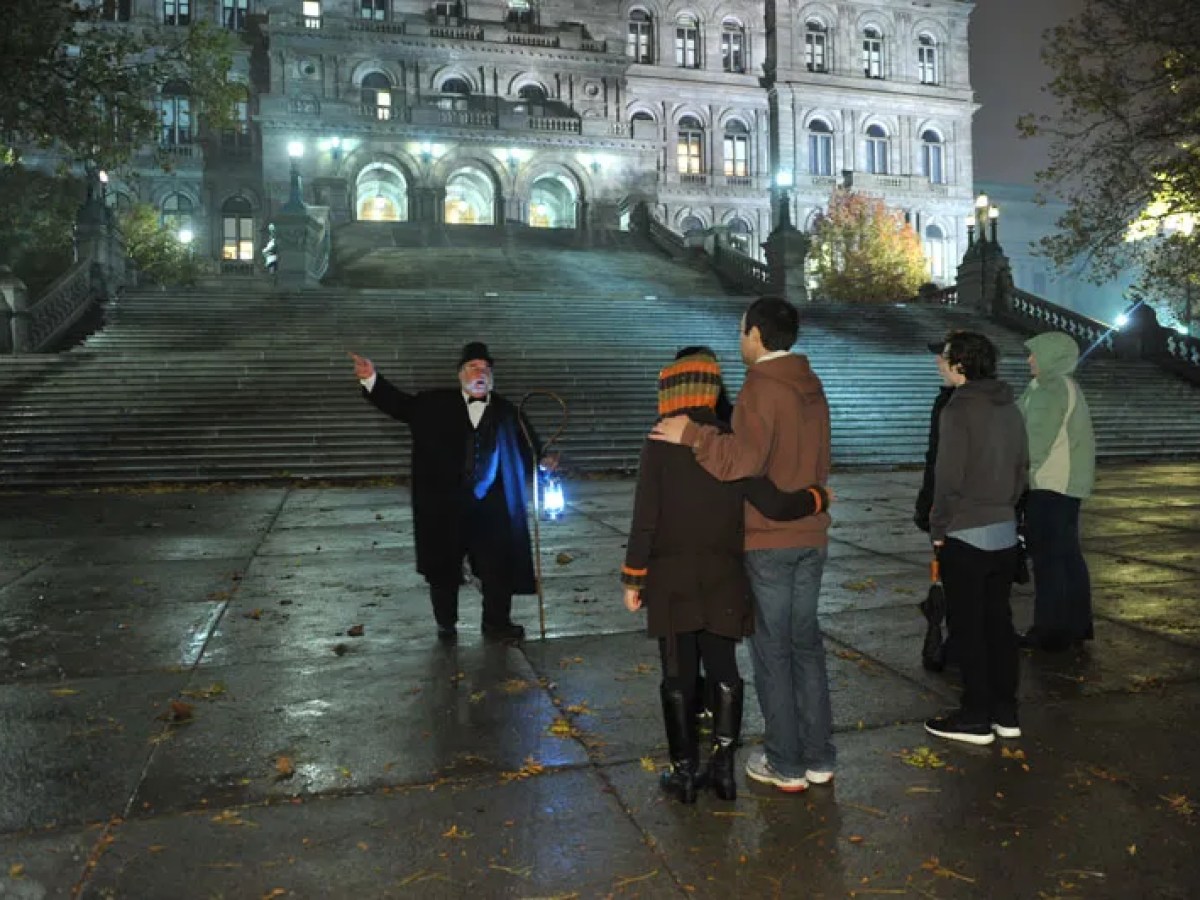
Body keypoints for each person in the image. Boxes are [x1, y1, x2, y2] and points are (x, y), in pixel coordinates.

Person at [622, 349, 832, 804]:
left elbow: (645, 519)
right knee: (724, 669)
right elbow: (774, 503)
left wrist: (634, 577)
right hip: (724, 575)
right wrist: (817, 499)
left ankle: (684, 772)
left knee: (677, 674)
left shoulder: (659, 442)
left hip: (672, 578)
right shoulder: (727, 442)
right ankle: (722, 769)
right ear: (714, 389)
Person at [350, 342, 545, 643]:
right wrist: (371, 378)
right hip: (444, 505)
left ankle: (496, 624)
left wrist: (545, 463)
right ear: (460, 374)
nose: (480, 373)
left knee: (497, 568)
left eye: (485, 368)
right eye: (473, 367)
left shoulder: (509, 412)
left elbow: (531, 448)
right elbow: (399, 405)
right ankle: (446, 624)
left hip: (492, 507)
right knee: (442, 568)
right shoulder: (434, 404)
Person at [925, 331, 1029, 746]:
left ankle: (975, 716)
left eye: (944, 357)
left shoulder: (958, 409)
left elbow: (947, 478)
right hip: (1004, 529)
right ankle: (1006, 711)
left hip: (966, 530)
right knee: (999, 623)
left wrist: (939, 528)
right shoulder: (1009, 406)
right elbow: (1023, 468)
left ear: (961, 364)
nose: (939, 363)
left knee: (968, 629)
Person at [1017, 331, 1096, 652]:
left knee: (1050, 559)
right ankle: (1074, 625)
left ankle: (1050, 630)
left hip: (1050, 485)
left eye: (1034, 354)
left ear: (1050, 356)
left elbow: (1035, 441)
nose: (1029, 359)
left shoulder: (1051, 390)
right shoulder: (1057, 386)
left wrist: (1017, 476)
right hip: (1062, 486)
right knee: (1066, 556)